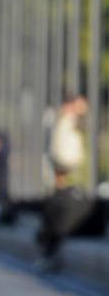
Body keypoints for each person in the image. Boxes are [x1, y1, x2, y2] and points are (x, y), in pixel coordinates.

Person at [36, 95, 95, 272]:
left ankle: (50, 255)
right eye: (79, 106)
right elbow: (61, 153)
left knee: (60, 221)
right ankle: (49, 255)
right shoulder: (62, 123)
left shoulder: (71, 124)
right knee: (56, 219)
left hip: (71, 184)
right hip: (65, 181)